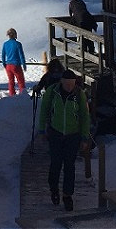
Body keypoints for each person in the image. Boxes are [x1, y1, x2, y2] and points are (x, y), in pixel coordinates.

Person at [37, 69, 92, 211]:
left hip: (73, 135)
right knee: (55, 163)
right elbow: (44, 109)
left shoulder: (79, 95)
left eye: (71, 84)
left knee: (69, 165)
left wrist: (85, 137)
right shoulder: (52, 92)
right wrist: (41, 129)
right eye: (67, 84)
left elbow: (85, 116)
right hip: (55, 133)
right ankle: (54, 188)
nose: (69, 87)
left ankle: (67, 195)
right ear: (61, 82)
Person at [1, 28, 27, 96]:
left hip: (8, 65)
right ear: (15, 35)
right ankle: (23, 95)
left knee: (11, 82)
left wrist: (4, 64)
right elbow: (21, 55)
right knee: (21, 81)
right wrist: (24, 64)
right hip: (16, 65)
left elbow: (3, 55)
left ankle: (12, 95)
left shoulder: (5, 44)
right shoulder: (18, 44)